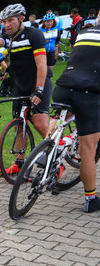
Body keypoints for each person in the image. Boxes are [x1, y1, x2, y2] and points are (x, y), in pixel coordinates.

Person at [0, 3, 51, 174]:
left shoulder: (34, 34)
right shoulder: (9, 37)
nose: (7, 25)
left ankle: (55, 159)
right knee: (19, 125)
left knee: (41, 124)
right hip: (19, 84)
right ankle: (19, 163)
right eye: (4, 21)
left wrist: (40, 90)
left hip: (38, 82)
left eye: (10, 21)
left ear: (21, 19)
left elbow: (42, 65)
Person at [52, 21, 100, 213]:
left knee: (60, 118)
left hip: (62, 87)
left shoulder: (84, 32)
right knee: (88, 148)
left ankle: (47, 150)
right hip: (87, 92)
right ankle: (91, 199)